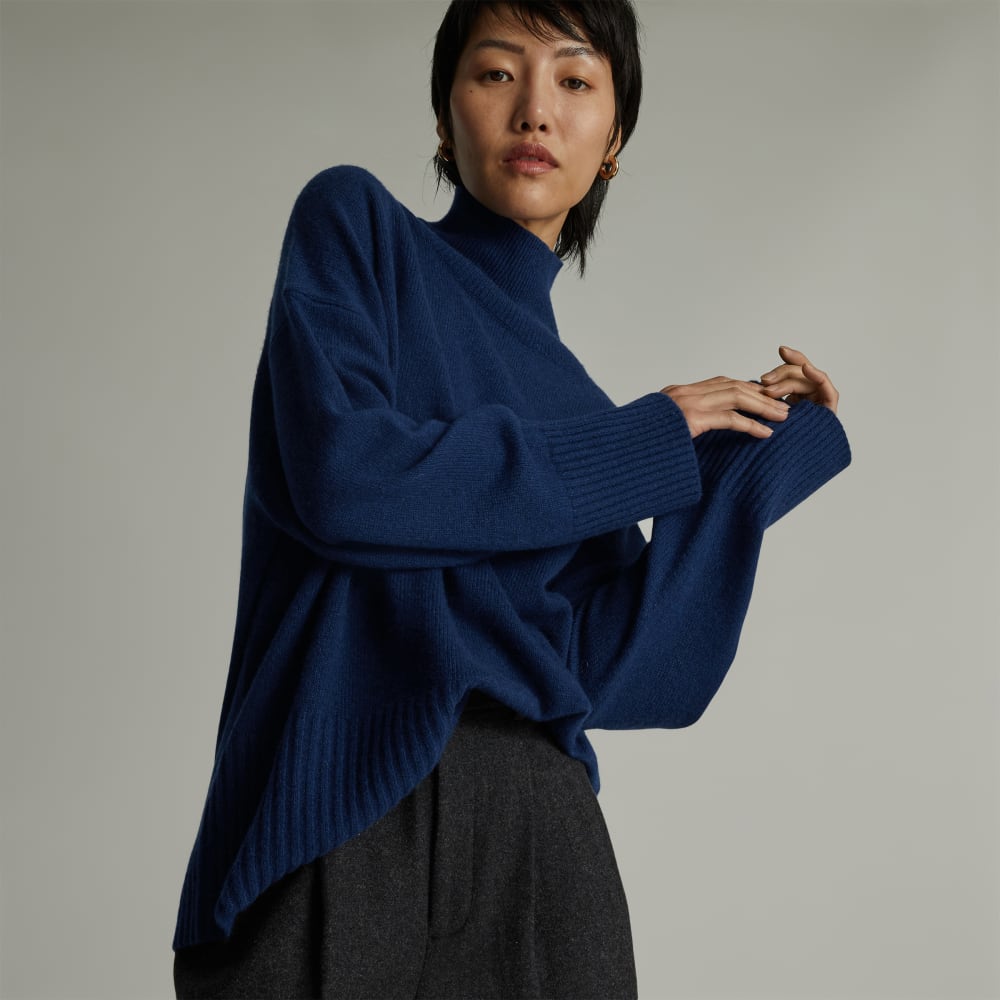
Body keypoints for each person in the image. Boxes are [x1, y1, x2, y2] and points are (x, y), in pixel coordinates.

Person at [173, 1, 850, 997]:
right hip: (335, 812)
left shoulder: (582, 417)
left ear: (612, 142)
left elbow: (629, 676)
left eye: (574, 81)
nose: (534, 109)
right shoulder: (359, 231)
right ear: (444, 118)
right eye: (497, 73)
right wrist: (646, 437)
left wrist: (741, 473)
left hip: (540, 838)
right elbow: (345, 481)